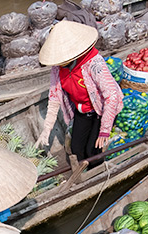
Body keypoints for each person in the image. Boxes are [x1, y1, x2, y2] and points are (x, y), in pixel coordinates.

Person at [36, 20, 123, 163]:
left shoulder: (94, 63)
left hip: (100, 111)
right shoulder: (57, 69)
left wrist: (105, 130)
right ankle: (84, 174)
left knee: (92, 152)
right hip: (82, 111)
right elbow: (54, 98)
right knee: (76, 151)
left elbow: (112, 94)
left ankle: (97, 174)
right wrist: (47, 129)